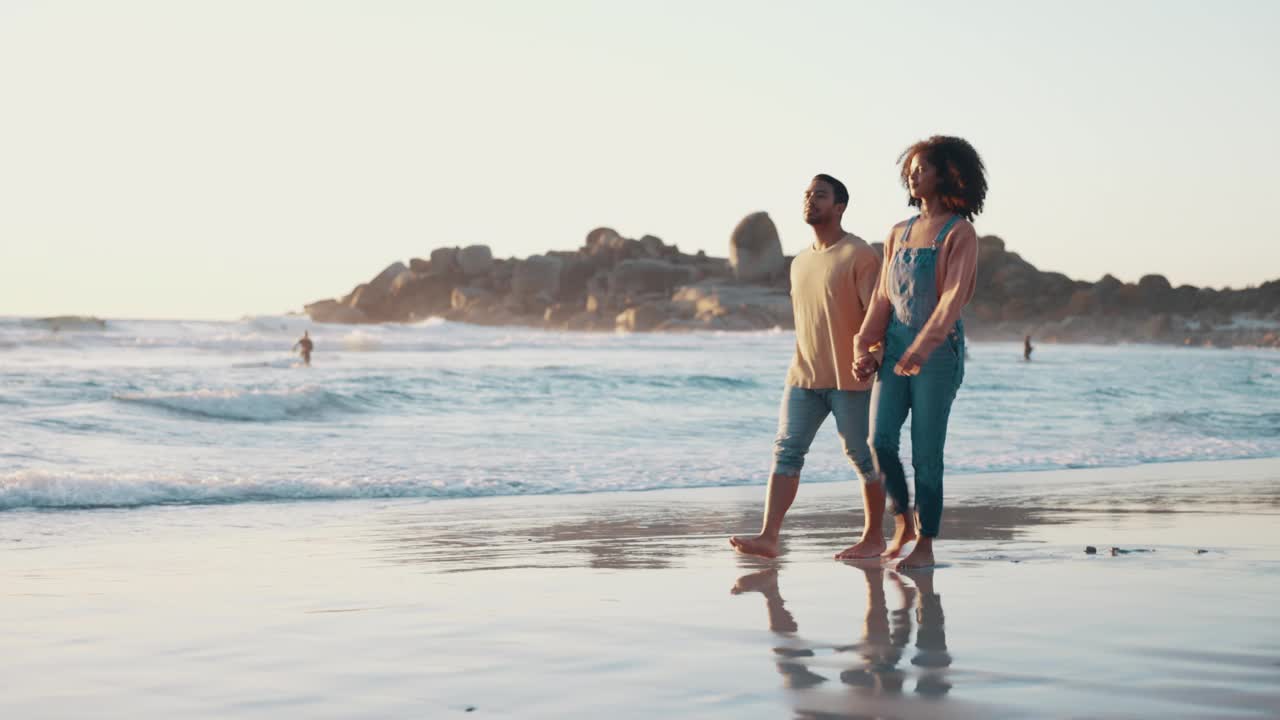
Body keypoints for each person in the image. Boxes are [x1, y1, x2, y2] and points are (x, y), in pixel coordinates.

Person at [852, 136, 988, 570]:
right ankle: (902, 522)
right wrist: (864, 346)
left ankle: (925, 540)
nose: (913, 175)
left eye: (921, 168)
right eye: (909, 169)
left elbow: (952, 301)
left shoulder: (960, 233)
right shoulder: (898, 233)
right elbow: (882, 298)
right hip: (893, 349)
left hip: (938, 355)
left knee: (926, 450)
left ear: (946, 174)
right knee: (879, 441)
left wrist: (924, 346)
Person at [730, 174, 883, 559]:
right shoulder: (798, 263)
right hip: (803, 376)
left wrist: (875, 357)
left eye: (820, 195)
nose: (810, 201)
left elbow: (881, 317)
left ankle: (874, 536)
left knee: (863, 458)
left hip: (851, 378)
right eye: (807, 195)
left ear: (840, 206)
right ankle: (769, 536)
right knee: (786, 450)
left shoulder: (860, 255)